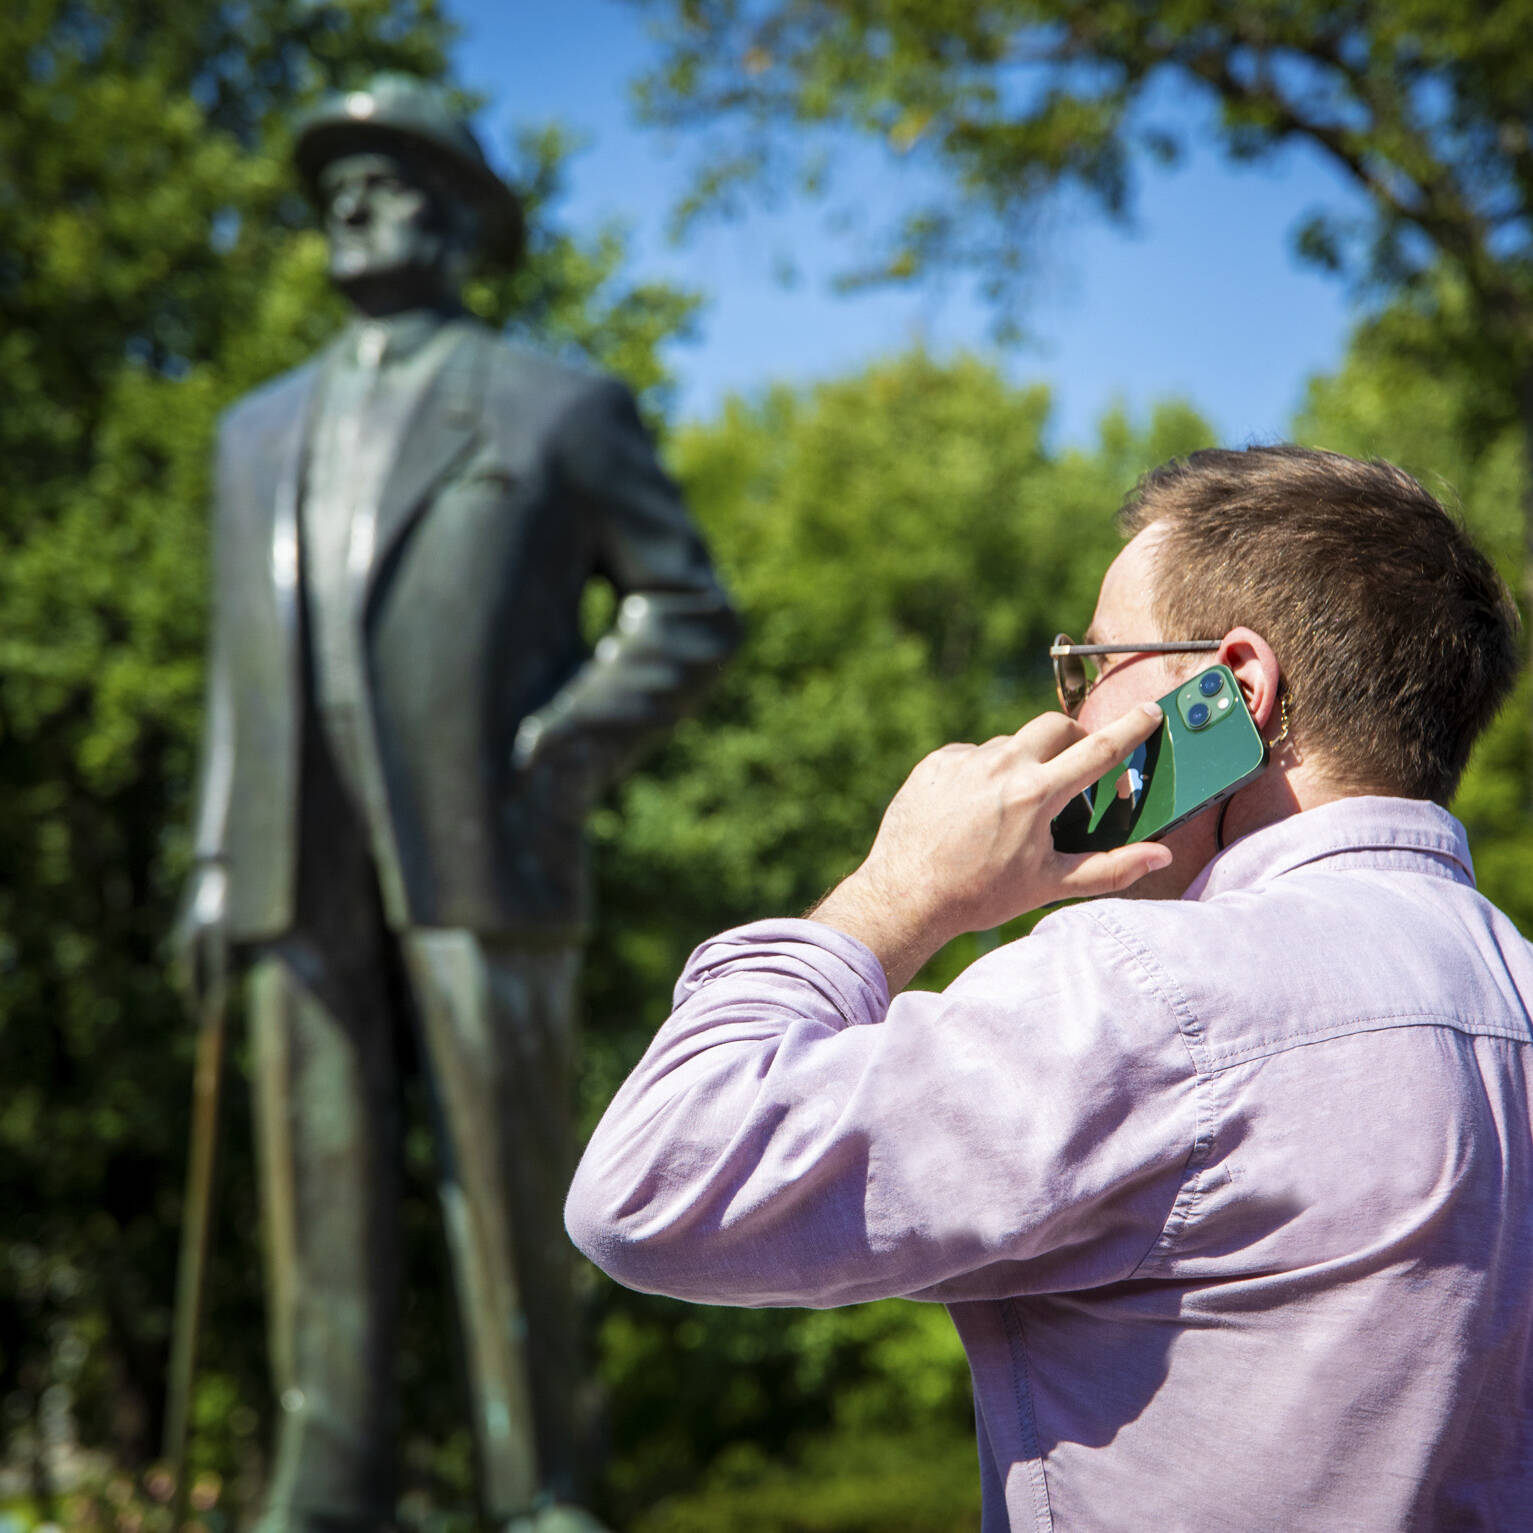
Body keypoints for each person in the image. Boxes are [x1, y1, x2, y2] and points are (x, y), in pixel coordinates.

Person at [565, 445, 1533, 1531]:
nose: (1071, 721)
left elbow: (651, 1186)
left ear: (1235, 691)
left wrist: (900, 891)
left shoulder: (1147, 994)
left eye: (1095, 666)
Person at [175, 75, 739, 1533]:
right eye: (335, 181)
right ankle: (326, 1479)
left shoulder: (553, 405)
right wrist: (210, 863)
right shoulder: (256, 432)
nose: (354, 200)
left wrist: (558, 748)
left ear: (459, 212)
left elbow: (685, 606)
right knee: (315, 1192)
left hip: (485, 847)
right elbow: (245, 669)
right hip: (294, 861)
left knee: (508, 1190)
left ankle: (540, 1486)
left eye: (392, 172)